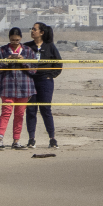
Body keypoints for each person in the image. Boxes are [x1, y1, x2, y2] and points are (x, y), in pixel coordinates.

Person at [0, 27, 36, 149]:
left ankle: (16, 140)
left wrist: (24, 61)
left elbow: (34, 69)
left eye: (17, 40)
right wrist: (7, 61)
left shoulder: (28, 51)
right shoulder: (2, 50)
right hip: (8, 87)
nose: (15, 42)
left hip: (24, 88)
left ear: (21, 38)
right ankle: (0, 139)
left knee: (19, 115)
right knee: (5, 113)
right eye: (12, 40)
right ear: (9, 39)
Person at [24, 21, 63, 150]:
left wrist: (51, 75)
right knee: (31, 110)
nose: (32, 31)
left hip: (45, 81)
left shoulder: (50, 46)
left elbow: (58, 64)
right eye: (32, 29)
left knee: (45, 109)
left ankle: (52, 139)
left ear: (41, 32)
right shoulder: (27, 46)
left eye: (34, 29)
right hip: (30, 81)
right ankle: (31, 139)